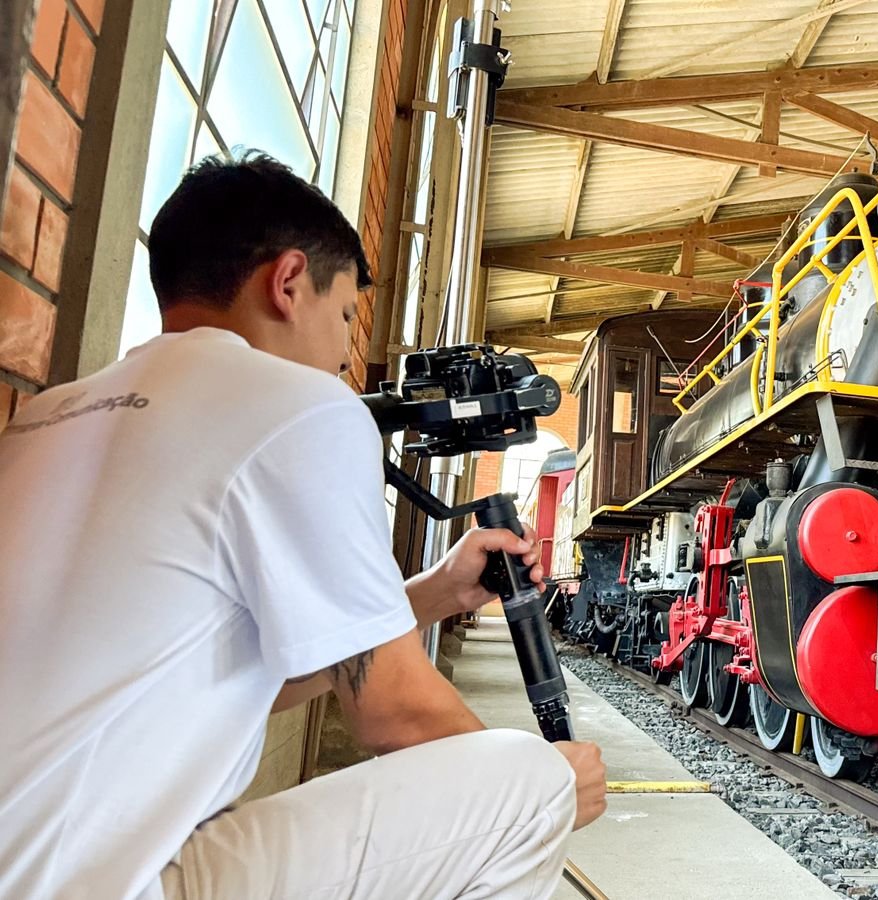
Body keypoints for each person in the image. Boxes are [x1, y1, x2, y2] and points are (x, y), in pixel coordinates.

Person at [0, 153, 605, 900]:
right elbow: (397, 713)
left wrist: (430, 595)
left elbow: (229, 678)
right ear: (288, 283)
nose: (343, 351)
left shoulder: (49, 414)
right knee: (524, 778)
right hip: (103, 884)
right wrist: (551, 794)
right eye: (347, 315)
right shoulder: (301, 406)